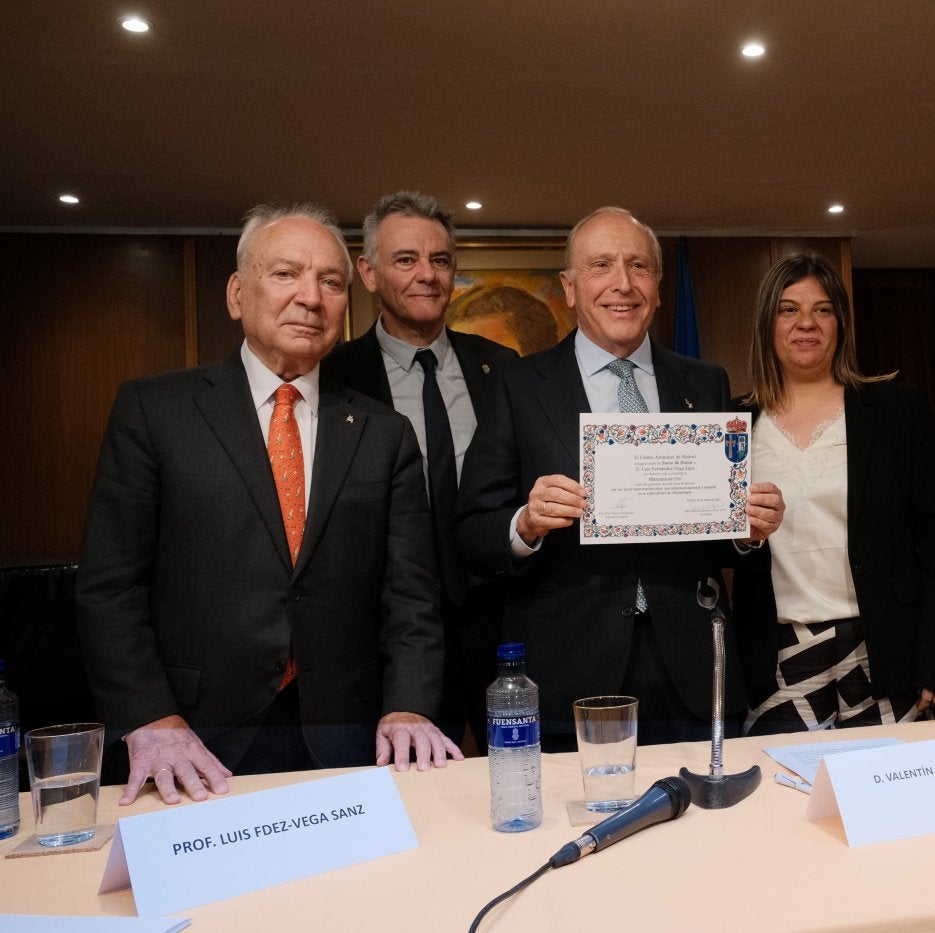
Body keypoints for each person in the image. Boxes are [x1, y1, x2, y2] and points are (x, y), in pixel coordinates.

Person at [76, 203, 462, 807]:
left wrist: (407, 706)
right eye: (286, 274)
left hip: (350, 734)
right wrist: (150, 717)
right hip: (193, 739)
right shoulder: (155, 413)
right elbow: (110, 587)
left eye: (331, 281)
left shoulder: (384, 435)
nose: (311, 297)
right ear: (237, 294)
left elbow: (411, 595)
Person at [455, 206, 785, 748]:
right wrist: (527, 523)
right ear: (569, 286)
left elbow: (718, 537)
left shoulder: (704, 384)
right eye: (601, 265)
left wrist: (746, 531)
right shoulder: (517, 386)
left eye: (638, 266)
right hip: (571, 668)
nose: (622, 284)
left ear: (657, 287)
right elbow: (472, 534)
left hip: (692, 667)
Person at [731, 254, 935, 734]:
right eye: (789, 309)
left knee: (890, 802)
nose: (806, 324)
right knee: (785, 801)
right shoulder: (732, 424)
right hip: (779, 657)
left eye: (822, 310)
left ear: (840, 322)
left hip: (883, 650)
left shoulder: (898, 412)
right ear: (766, 324)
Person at [321, 191, 516, 754]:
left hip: (497, 622)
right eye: (406, 259)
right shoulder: (334, 380)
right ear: (369, 272)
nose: (426, 275)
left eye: (440, 261)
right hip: (385, 635)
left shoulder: (501, 369)